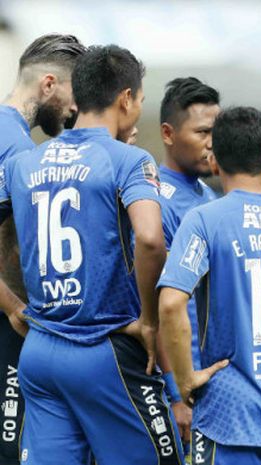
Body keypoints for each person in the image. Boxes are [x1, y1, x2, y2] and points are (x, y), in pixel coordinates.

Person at [0, 44, 183, 465]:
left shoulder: (25, 163)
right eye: (139, 98)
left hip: (40, 352)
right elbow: (151, 239)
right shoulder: (128, 160)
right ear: (126, 98)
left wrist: (12, 306)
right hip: (103, 348)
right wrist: (150, 322)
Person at [158, 106, 261, 465]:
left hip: (229, 414)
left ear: (215, 161)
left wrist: (185, 381)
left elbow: (172, 304)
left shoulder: (204, 221)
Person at [0, 33, 85, 465]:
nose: (75, 109)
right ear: (49, 84)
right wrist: (13, 305)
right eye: (74, 95)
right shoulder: (12, 147)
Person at [157, 76, 220, 444]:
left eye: (217, 131)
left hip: (211, 376)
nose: (213, 144)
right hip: (181, 382)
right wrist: (176, 392)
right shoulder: (155, 201)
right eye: (202, 133)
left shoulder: (210, 196)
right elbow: (154, 302)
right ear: (167, 133)